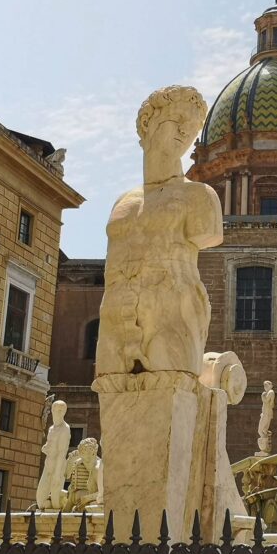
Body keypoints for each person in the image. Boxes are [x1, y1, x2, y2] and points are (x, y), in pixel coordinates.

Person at [96, 86, 223, 378]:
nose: (184, 132)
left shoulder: (200, 197)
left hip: (172, 316)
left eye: (191, 128)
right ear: (146, 124)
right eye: (177, 119)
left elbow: (206, 235)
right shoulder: (122, 203)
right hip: (114, 318)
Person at [36, 400, 71, 510]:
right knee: (40, 499)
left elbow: (62, 452)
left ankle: (63, 502)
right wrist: (46, 447)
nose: (57, 412)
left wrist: (57, 473)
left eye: (60, 410)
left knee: (55, 501)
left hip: (58, 466)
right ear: (52, 410)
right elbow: (50, 445)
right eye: (55, 409)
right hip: (48, 464)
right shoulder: (51, 429)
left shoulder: (65, 429)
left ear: (64, 412)